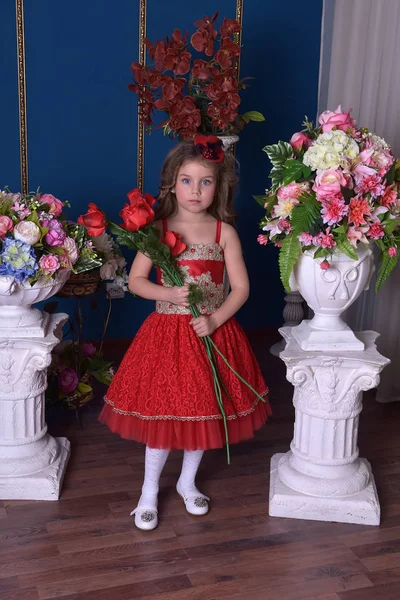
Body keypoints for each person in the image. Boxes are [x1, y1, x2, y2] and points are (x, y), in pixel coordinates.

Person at [99, 136, 271, 530]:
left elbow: (241, 288)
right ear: (171, 184)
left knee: (203, 412)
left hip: (211, 332)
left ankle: (187, 482)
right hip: (166, 336)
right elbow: (137, 281)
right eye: (187, 180)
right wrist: (169, 293)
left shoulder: (222, 232)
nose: (196, 190)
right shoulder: (156, 230)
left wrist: (214, 319)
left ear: (219, 186)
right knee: (162, 417)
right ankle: (148, 491)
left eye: (206, 182)